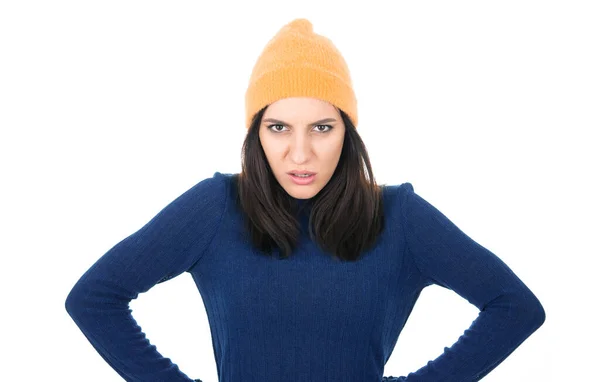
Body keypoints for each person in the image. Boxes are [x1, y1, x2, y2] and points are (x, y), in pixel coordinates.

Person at [65, 18, 546, 382]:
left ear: (347, 132)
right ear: (256, 133)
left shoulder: (398, 217)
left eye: (322, 127)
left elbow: (514, 307)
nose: (301, 153)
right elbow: (94, 299)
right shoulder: (215, 206)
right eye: (279, 128)